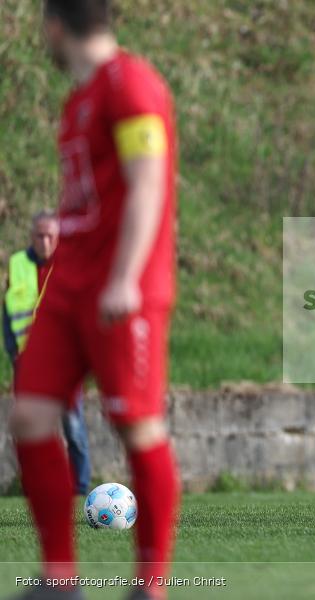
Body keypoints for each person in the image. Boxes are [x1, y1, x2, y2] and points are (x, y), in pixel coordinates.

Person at [10, 1, 180, 599]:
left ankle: (149, 587)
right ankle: (60, 581)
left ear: (56, 26)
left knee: (138, 427)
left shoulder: (130, 84)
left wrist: (126, 276)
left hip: (120, 287)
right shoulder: (77, 100)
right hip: (70, 285)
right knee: (29, 413)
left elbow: (149, 183)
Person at [3, 211, 92, 497]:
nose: (45, 241)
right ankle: (39, 489)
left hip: (64, 362)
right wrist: (14, 353)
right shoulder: (17, 265)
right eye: (40, 235)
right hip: (29, 363)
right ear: (31, 236)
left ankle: (80, 488)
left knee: (74, 427)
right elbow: (8, 314)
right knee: (32, 430)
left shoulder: (70, 264)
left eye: (51, 235)